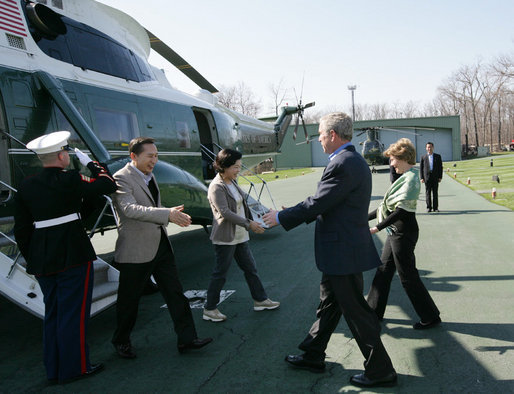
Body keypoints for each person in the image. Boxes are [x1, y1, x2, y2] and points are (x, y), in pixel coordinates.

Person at [263, 113, 397, 388]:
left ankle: (381, 369)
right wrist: (293, 211)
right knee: (329, 305)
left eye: (321, 135)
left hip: (342, 251)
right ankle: (313, 354)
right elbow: (329, 202)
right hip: (342, 249)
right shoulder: (350, 160)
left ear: (333, 135)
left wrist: (281, 217)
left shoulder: (344, 162)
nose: (320, 140)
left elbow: (319, 202)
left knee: (357, 312)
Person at [13, 131, 116, 383]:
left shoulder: (26, 185)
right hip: (73, 254)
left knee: (54, 314)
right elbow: (107, 184)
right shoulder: (70, 178)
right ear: (61, 155)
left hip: (42, 257)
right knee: (74, 315)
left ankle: (54, 369)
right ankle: (75, 368)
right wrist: (91, 164)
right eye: (67, 154)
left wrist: (31, 258)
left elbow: (22, 229)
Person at [111, 137, 212, 358]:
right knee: (129, 301)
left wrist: (167, 211)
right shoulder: (121, 178)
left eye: (156, 156)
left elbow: (149, 207)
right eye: (150, 156)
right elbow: (129, 209)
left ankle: (187, 339)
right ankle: (121, 341)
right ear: (134, 156)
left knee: (176, 294)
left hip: (160, 246)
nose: (154, 160)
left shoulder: (150, 175)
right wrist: (167, 214)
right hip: (135, 251)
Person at [367, 138, 441, 329]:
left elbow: (402, 211)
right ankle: (373, 313)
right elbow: (385, 207)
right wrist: (363, 220)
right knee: (383, 271)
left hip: (403, 233)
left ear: (402, 158)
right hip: (396, 232)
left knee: (408, 276)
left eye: (392, 160)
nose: (391, 164)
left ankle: (430, 316)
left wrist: (377, 227)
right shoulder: (404, 178)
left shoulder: (412, 179)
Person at [203, 149, 279, 322]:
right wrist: (249, 224)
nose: (239, 170)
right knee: (220, 273)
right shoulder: (217, 186)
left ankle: (260, 300)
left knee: (250, 269)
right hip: (225, 238)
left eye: (239, 166)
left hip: (240, 236)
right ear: (224, 166)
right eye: (235, 167)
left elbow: (243, 203)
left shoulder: (232, 182)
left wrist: (261, 218)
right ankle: (209, 309)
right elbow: (224, 212)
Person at [420, 142, 443, 212]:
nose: (429, 148)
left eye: (430, 147)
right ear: (426, 148)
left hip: (435, 177)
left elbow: (440, 167)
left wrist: (440, 177)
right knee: (428, 192)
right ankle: (429, 207)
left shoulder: (437, 156)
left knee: (435, 193)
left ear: (433, 148)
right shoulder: (423, 157)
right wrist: (421, 178)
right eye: (428, 147)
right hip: (427, 177)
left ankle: (435, 208)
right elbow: (421, 168)